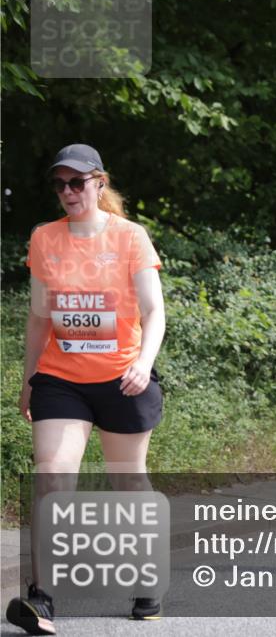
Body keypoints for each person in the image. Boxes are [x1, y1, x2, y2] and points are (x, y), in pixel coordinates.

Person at [6, 144, 166, 635]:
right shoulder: (45, 239)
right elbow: (38, 318)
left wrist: (143, 363)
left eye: (77, 182)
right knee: (52, 475)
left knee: (128, 484)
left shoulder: (130, 237)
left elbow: (154, 312)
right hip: (61, 378)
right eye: (60, 184)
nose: (68, 192)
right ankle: (43, 598)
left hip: (123, 376)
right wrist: (29, 379)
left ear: (99, 183)